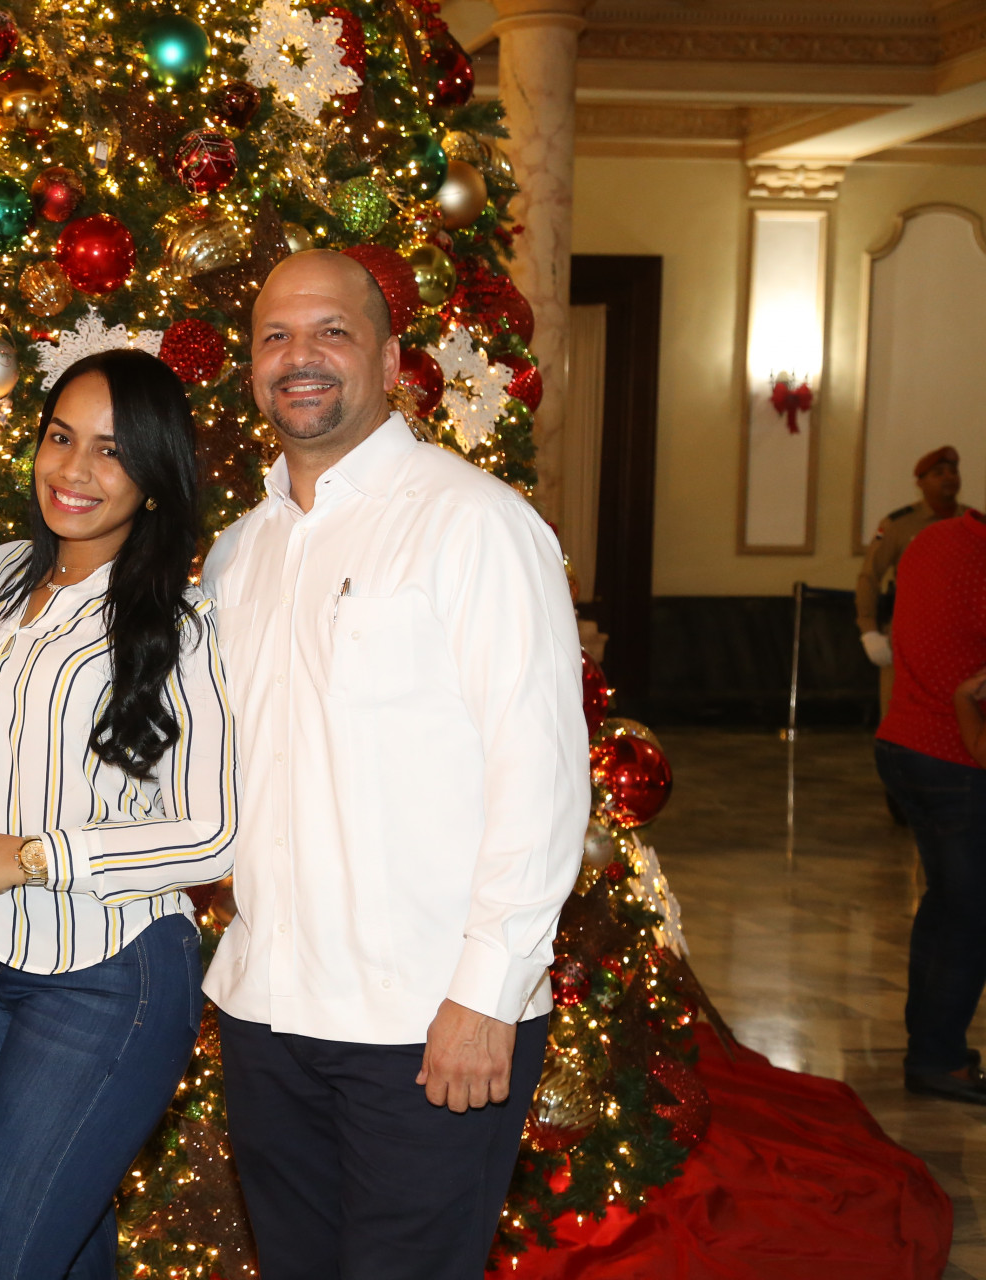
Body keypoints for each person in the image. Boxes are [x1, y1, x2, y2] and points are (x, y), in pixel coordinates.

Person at [201, 246, 588, 1279]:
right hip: (268, 1012)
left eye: (331, 331)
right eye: (276, 336)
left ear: (388, 358)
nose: (300, 356)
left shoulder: (474, 522)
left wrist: (488, 991)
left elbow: (542, 772)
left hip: (428, 1020)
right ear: (252, 367)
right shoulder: (239, 553)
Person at [0, 350, 239, 1280]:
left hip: (108, 974)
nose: (74, 470)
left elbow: (214, 829)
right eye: (61, 438)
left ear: (154, 475)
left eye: (111, 450)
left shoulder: (178, 621)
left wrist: (29, 855)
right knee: (59, 1248)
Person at [875, 505, 986, 1104]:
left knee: (948, 905)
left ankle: (932, 1046)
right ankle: (936, 1058)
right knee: (969, 914)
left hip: (902, 742)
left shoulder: (932, 538)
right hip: (955, 754)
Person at [857, 446, 971, 677]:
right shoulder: (898, 524)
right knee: (901, 699)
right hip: (910, 635)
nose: (948, 477)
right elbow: (869, 576)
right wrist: (869, 630)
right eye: (938, 473)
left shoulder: (974, 522)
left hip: (965, 638)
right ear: (920, 483)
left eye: (953, 472)